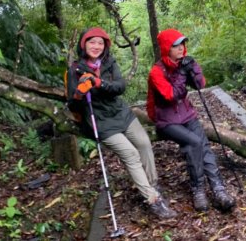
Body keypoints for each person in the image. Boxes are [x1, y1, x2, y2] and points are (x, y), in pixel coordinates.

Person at [66, 27, 176, 219]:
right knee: (131, 154)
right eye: (92, 42)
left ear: (105, 46)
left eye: (100, 43)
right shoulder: (75, 69)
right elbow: (72, 103)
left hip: (121, 113)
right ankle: (153, 200)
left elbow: (120, 86)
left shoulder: (109, 62)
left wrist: (99, 83)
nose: (96, 46)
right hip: (100, 121)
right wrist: (79, 93)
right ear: (84, 44)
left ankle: (153, 185)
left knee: (143, 143)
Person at [146, 28, 236, 213]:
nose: (181, 48)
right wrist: (181, 74)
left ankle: (218, 189)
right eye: (176, 45)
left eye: (182, 44)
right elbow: (170, 95)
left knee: (203, 146)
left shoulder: (183, 64)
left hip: (187, 115)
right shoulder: (156, 72)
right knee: (194, 143)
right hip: (166, 121)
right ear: (166, 48)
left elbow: (200, 85)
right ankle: (198, 190)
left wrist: (193, 67)